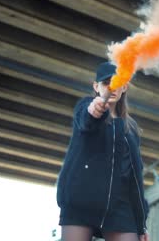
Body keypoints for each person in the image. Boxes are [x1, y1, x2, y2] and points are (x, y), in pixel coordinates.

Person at [56, 62, 150, 241]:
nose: (112, 87)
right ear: (96, 86)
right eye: (106, 83)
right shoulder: (85, 107)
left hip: (119, 207)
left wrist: (141, 223)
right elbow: (87, 120)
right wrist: (95, 109)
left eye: (117, 82)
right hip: (81, 201)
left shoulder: (131, 128)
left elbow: (134, 178)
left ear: (124, 87)